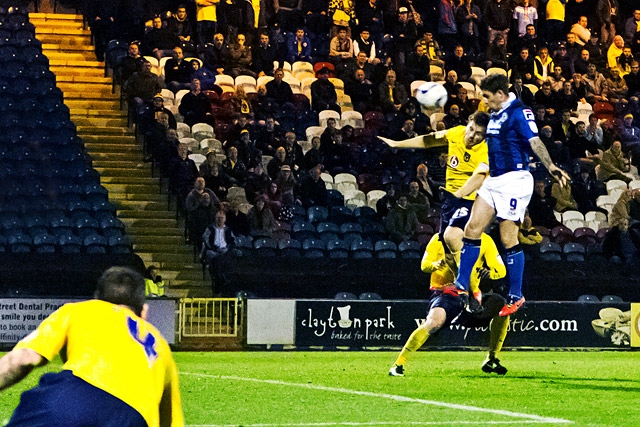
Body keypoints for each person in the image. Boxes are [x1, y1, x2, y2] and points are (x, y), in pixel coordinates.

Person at [0, 266, 184, 426]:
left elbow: (26, 357)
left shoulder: (79, 311)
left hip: (74, 398)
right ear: (144, 311)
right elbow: (171, 421)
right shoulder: (161, 347)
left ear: (97, 298)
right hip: (134, 417)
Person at [453, 74, 570, 317]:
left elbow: (535, 141)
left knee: (508, 238)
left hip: (514, 181)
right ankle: (462, 285)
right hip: (494, 179)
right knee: (472, 229)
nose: (484, 101)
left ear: (499, 93)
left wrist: (551, 167)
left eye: (486, 96)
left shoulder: (519, 111)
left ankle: (516, 295)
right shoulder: (495, 114)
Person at [388, 231, 508, 377]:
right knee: (433, 322)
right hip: (445, 293)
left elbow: (501, 270)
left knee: (503, 308)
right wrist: (434, 264)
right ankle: (398, 364)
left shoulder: (484, 240)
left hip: (472, 297)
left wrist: (491, 273)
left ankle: (492, 358)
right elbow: (424, 265)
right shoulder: (439, 238)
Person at [201, 209, 238, 296]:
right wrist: (215, 248)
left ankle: (222, 280)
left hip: (225, 251)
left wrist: (227, 248)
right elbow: (205, 240)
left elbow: (234, 241)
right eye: (218, 218)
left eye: (221, 218)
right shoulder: (210, 228)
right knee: (214, 257)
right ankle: (219, 280)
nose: (220, 220)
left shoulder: (228, 230)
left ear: (225, 219)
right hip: (213, 251)